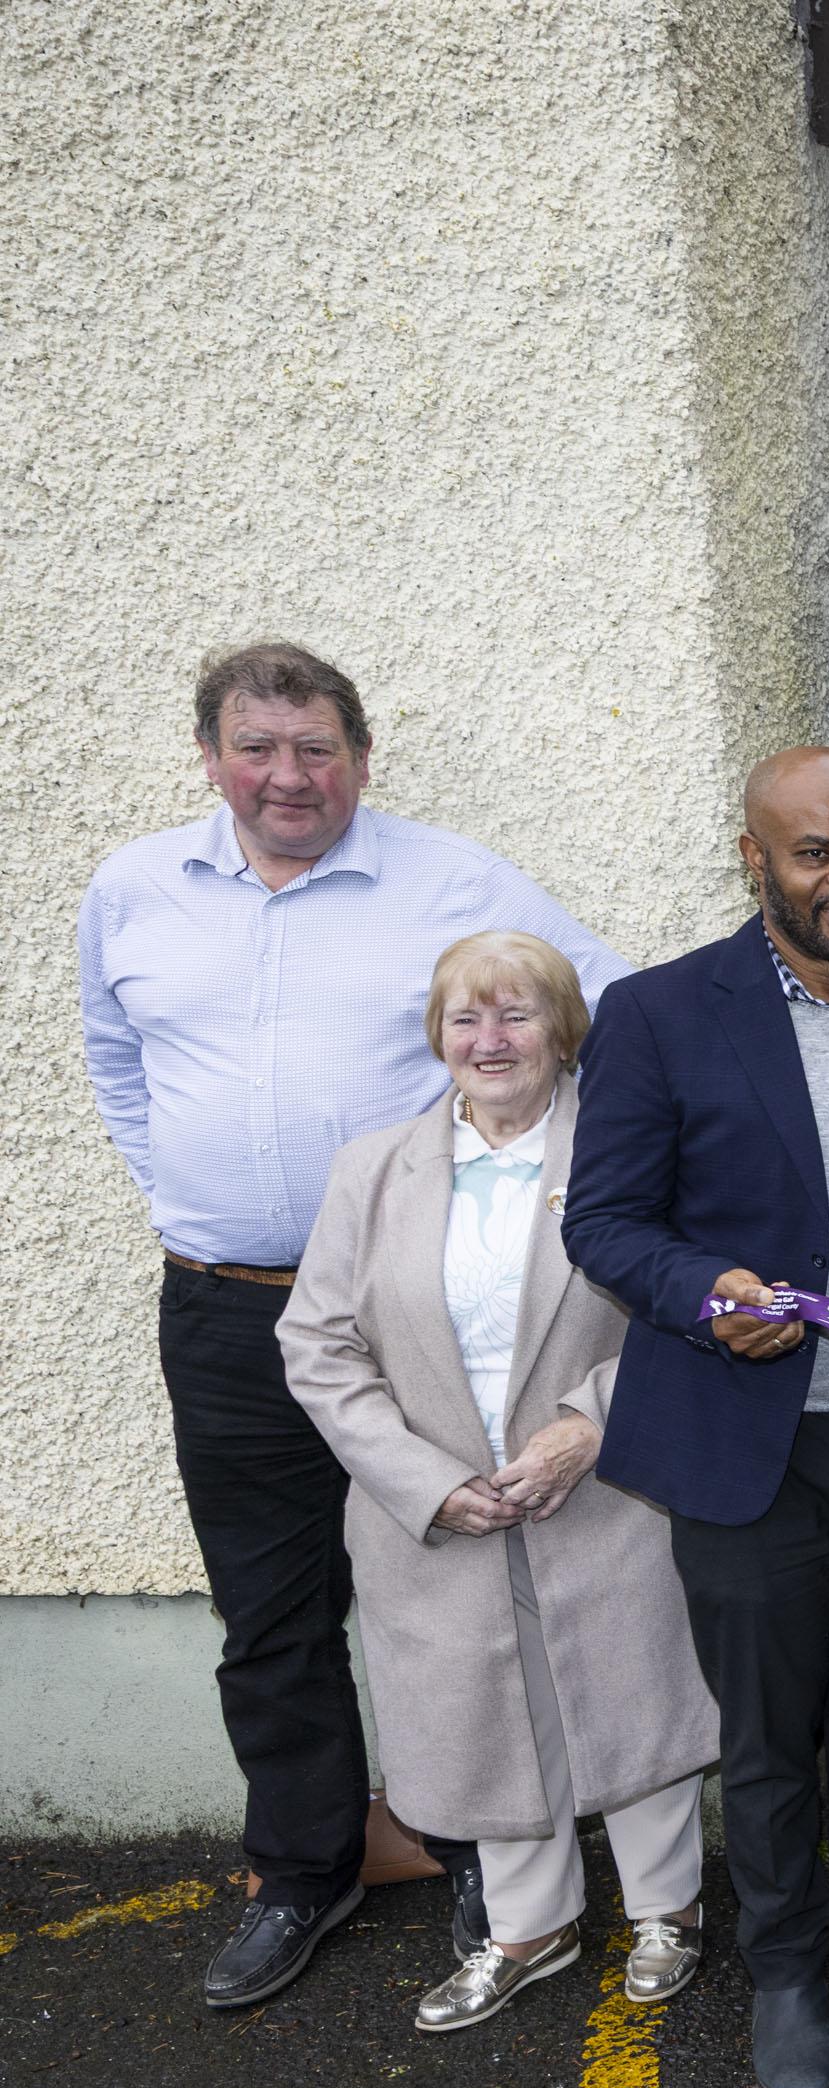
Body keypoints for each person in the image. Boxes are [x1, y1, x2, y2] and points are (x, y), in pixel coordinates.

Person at [78, 640, 625, 2010]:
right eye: (257, 749)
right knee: (271, 1615)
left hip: (412, 1327)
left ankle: (488, 1857)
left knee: (456, 1592)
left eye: (316, 749)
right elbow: (116, 1061)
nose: (287, 776)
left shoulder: (449, 879)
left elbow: (607, 1003)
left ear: (360, 760)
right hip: (223, 1316)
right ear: (212, 760)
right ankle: (304, 1868)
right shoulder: (134, 890)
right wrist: (188, 1205)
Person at [566, 746, 829, 2088]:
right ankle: (788, 1968)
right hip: (750, 1442)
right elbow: (607, 1220)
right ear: (758, 860)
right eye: (816, 853)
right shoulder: (660, 1012)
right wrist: (700, 1295)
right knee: (767, 1732)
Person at [278, 935, 714, 2032]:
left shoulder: (633, 1150)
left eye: (516, 1016)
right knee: (477, 1708)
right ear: (437, 1035)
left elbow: (693, 1311)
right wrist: (423, 1482)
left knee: (636, 1684)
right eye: (467, 1020)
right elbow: (318, 1344)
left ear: (563, 1031)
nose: (490, 1040)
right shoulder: (372, 1171)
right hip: (433, 1505)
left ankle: (669, 1907)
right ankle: (531, 1926)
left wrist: (586, 1427)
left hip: (609, 1481)